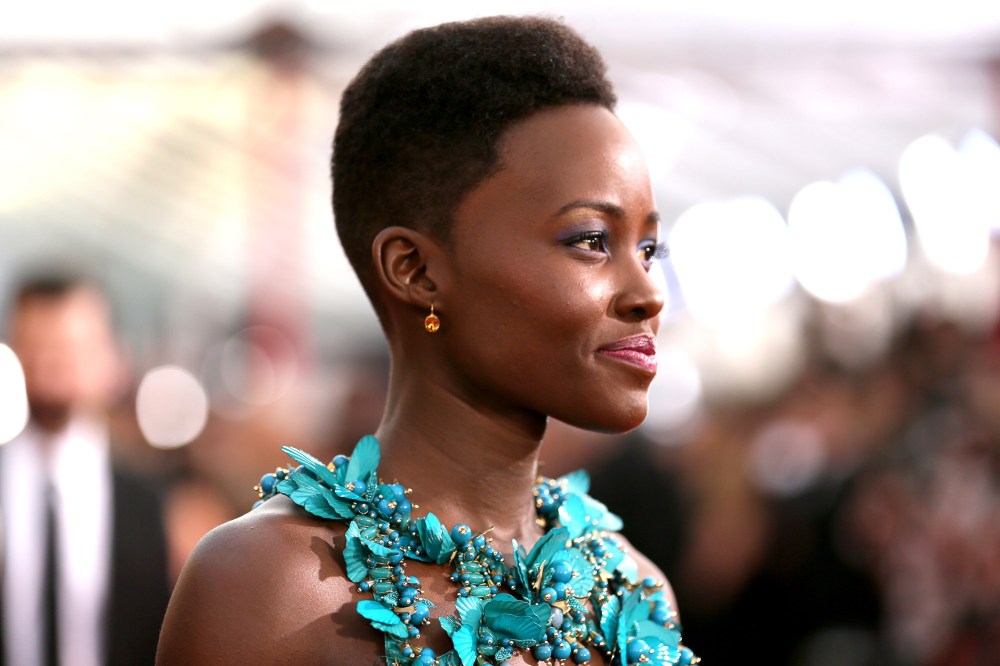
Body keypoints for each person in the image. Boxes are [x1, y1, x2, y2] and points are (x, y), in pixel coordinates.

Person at [158, 15, 698, 665]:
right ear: (414, 271)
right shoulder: (268, 588)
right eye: (590, 240)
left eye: (647, 247)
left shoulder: (629, 590)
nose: (649, 292)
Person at [1, 273, 171, 666]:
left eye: (72, 347)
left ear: (113, 359)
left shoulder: (153, 503)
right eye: (38, 345)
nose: (53, 363)